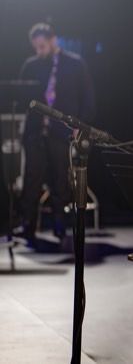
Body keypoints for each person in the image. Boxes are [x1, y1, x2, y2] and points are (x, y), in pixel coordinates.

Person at [17, 23, 95, 240]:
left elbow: (88, 99)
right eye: (36, 47)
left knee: (60, 179)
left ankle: (60, 224)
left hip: (62, 132)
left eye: (42, 46)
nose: (39, 51)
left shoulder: (75, 64)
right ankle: (28, 225)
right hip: (35, 132)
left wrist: (80, 127)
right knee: (32, 179)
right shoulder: (31, 65)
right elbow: (21, 97)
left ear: (53, 40)